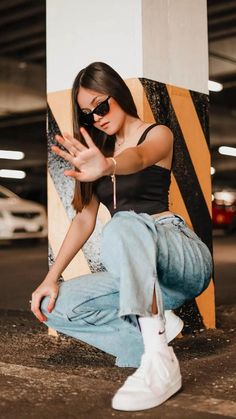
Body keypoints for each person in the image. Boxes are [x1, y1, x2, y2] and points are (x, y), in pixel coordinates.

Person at [31, 62, 212, 412]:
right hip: (137, 270)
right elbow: (84, 221)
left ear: (119, 95)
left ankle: (159, 361)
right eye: (87, 114)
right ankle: (149, 338)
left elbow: (139, 157)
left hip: (179, 255)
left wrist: (109, 165)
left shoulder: (157, 134)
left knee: (122, 223)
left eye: (101, 105)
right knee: (50, 305)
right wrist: (50, 279)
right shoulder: (95, 153)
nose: (96, 117)